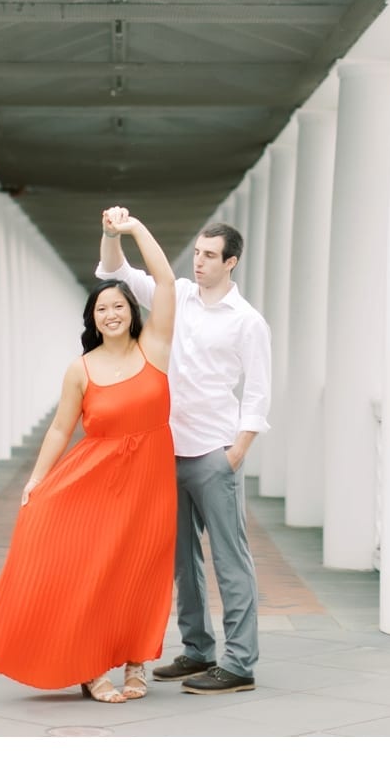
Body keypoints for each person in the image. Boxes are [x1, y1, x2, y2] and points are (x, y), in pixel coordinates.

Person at [0, 211, 177, 704]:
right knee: (96, 572)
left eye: (118, 305)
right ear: (92, 319)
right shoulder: (80, 369)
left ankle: (136, 663)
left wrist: (130, 231)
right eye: (101, 308)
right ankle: (90, 666)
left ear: (132, 312)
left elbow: (167, 281)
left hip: (151, 484)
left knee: (142, 571)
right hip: (96, 482)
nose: (111, 313)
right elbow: (61, 429)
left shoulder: (154, 349)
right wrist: (36, 481)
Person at [96, 207, 271, 695]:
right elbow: (116, 272)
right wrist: (112, 233)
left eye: (210, 256)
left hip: (216, 453)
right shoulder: (181, 298)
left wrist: (238, 449)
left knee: (230, 560)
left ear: (231, 261)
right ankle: (198, 650)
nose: (199, 262)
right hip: (168, 451)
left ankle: (239, 663)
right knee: (182, 560)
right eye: (196, 252)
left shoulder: (248, 322)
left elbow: (257, 392)